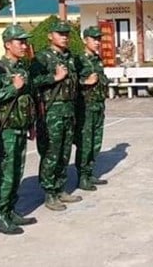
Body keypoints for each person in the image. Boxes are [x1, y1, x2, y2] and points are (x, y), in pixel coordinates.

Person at [0, 24, 38, 235]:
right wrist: (12, 88)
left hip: (20, 127)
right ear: (7, 44)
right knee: (4, 173)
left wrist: (31, 124)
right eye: (20, 42)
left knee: (16, 173)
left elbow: (28, 98)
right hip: (3, 130)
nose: (24, 45)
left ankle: (10, 209)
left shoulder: (22, 68)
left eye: (25, 41)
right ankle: (0, 215)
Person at [30, 20, 83, 210]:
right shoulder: (42, 58)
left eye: (67, 34)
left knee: (64, 152)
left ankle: (61, 188)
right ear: (50, 36)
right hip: (51, 112)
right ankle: (49, 192)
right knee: (51, 153)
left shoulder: (70, 57)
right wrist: (55, 77)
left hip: (69, 111)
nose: (65, 37)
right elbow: (32, 82)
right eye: (60, 33)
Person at [75, 26, 110, 191]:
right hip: (86, 108)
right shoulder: (78, 60)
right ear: (85, 40)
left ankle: (89, 173)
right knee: (85, 143)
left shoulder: (97, 59)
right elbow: (71, 84)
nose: (97, 42)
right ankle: (82, 176)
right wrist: (85, 82)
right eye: (93, 39)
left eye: (98, 39)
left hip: (98, 106)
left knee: (96, 142)